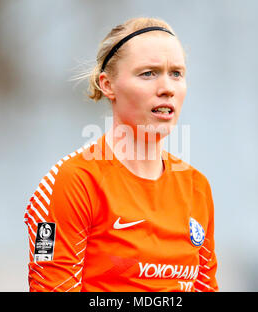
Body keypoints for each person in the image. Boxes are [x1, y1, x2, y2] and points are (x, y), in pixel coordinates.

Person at [24, 17, 218, 292]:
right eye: (148, 73)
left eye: (176, 73)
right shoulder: (74, 182)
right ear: (108, 85)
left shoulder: (196, 187)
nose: (167, 88)